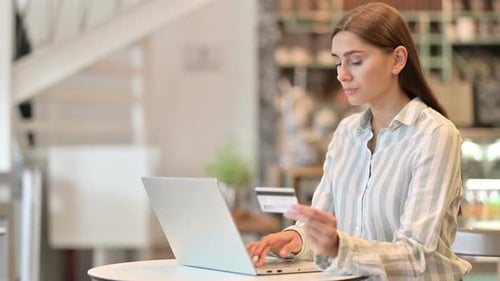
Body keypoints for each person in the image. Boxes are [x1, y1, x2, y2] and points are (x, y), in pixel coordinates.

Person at [247, 2, 472, 280]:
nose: (342, 74)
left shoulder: (435, 135)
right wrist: (297, 237)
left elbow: (415, 255)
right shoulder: (346, 132)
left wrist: (339, 246)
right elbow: (320, 221)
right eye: (338, 62)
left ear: (398, 60)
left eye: (355, 61)